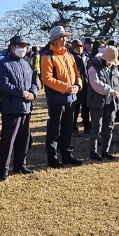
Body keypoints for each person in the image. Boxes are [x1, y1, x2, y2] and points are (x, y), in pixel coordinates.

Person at [0, 36, 36, 179]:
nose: (23, 49)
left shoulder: (26, 63)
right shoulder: (3, 64)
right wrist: (21, 92)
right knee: (8, 139)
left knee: (24, 138)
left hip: (26, 106)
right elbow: (4, 84)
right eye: (20, 46)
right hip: (11, 107)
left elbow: (34, 82)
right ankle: (3, 169)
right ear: (12, 48)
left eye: (24, 46)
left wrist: (33, 93)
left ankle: (20, 164)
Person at [41, 26, 83, 167]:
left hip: (71, 98)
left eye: (65, 37)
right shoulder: (47, 56)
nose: (64, 39)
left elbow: (77, 73)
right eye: (61, 37)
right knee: (54, 129)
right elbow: (47, 79)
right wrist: (66, 88)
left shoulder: (69, 55)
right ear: (54, 40)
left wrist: (78, 85)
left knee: (67, 128)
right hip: (57, 99)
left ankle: (66, 154)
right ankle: (52, 158)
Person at [86, 44, 119, 159]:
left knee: (109, 127)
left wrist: (118, 93)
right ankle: (93, 153)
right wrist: (111, 91)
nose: (111, 63)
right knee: (96, 128)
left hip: (111, 103)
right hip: (97, 102)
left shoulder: (114, 69)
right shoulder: (93, 67)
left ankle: (105, 151)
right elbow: (96, 85)